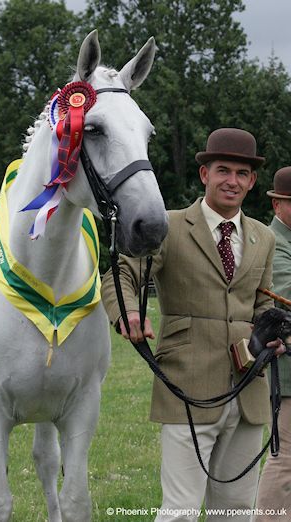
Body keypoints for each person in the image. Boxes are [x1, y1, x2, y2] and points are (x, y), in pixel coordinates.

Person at [101, 128, 284, 522]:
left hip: (248, 387)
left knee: (235, 511)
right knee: (181, 510)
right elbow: (121, 273)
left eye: (240, 173)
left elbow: (262, 302)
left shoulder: (264, 238)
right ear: (205, 175)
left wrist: (273, 336)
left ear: (252, 181)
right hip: (186, 385)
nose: (231, 181)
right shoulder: (168, 226)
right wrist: (128, 313)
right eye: (222, 170)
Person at [254, 167, 291, 521]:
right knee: (286, 459)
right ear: (278, 204)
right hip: (287, 373)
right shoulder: (276, 243)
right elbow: (287, 298)